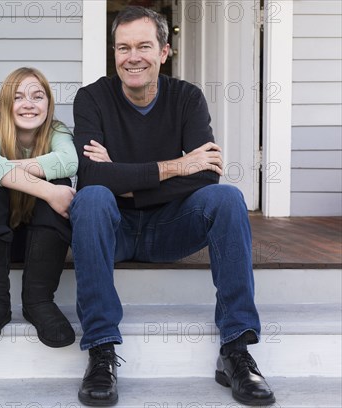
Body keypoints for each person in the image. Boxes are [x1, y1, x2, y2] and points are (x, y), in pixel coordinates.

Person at [69, 6, 276, 406]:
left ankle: (236, 349)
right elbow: (93, 177)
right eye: (123, 47)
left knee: (227, 198)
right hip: (114, 231)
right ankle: (101, 349)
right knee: (93, 199)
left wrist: (126, 179)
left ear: (164, 52)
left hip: (171, 228)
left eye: (144, 46)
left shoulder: (187, 99)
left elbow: (206, 175)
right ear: (113, 53)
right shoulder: (92, 98)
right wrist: (177, 165)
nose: (133, 57)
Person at [0, 67, 78, 348]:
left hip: (42, 241)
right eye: (19, 97)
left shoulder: (57, 131)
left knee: (58, 176)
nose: (29, 104)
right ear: (6, 104)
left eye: (38, 96)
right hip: (3, 238)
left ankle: (38, 301)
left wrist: (4, 168)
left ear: (48, 104)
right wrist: (50, 192)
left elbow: (69, 162)